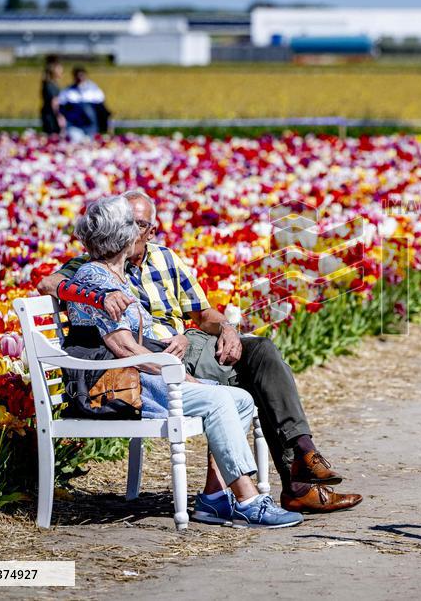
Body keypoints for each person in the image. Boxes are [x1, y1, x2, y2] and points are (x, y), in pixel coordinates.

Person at [38, 190, 362, 513]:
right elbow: (48, 285)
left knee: (260, 350)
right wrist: (98, 297)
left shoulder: (165, 258)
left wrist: (228, 329)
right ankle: (288, 486)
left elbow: (204, 314)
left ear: (152, 230)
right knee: (245, 384)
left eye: (140, 225)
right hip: (154, 362)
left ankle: (302, 454)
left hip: (186, 345)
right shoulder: (93, 265)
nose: (133, 231)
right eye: (128, 223)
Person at [57, 67, 106, 141]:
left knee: (90, 144)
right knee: (76, 141)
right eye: (77, 76)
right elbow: (61, 109)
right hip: (74, 125)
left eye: (82, 75)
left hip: (91, 126)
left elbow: (102, 109)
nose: (80, 78)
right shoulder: (68, 92)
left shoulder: (94, 91)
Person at [40, 55, 64, 134]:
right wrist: (59, 116)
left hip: (48, 114)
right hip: (51, 116)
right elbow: (54, 102)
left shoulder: (48, 83)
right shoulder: (51, 85)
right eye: (60, 71)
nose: (62, 73)